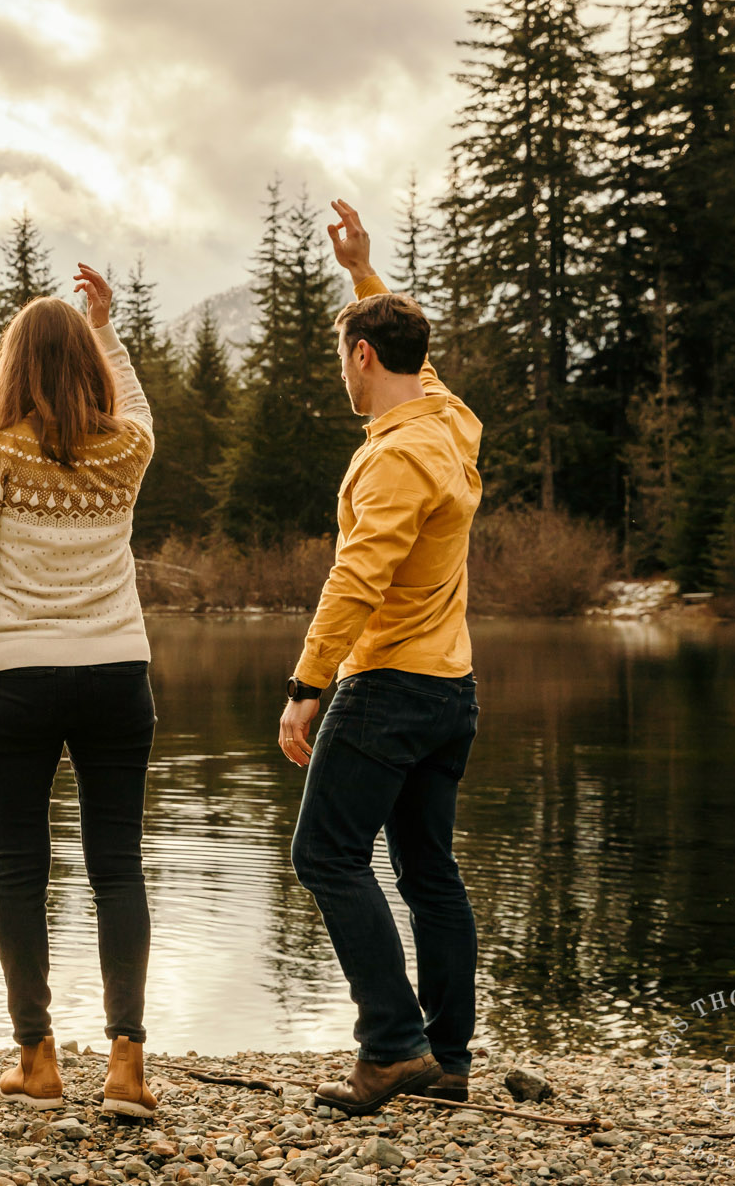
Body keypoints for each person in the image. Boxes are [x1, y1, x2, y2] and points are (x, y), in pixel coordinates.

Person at [0, 267, 159, 1118]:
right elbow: (137, 409)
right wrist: (106, 328)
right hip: (116, 673)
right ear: (85, 366)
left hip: (16, 679)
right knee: (118, 868)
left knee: (21, 871)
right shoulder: (124, 449)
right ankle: (127, 1065)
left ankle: (37, 1059)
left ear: (13, 366)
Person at [277, 199, 483, 1116]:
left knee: (324, 854)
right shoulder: (451, 423)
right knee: (428, 871)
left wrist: (305, 686)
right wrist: (365, 276)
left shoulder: (394, 456)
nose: (344, 375)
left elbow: (355, 580)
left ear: (362, 357)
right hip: (451, 691)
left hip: (388, 686)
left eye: (346, 355)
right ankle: (448, 1057)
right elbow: (419, 362)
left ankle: (393, 1047)